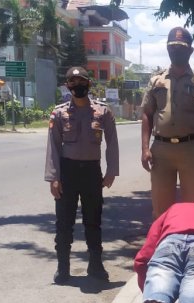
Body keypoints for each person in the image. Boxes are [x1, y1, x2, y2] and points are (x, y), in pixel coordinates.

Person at [45, 66, 119, 283]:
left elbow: (112, 143)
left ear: (89, 83)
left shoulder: (102, 112)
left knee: (93, 222)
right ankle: (63, 268)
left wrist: (111, 172)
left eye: (81, 81)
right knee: (64, 223)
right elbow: (53, 147)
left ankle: (96, 265)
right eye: (73, 82)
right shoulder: (59, 113)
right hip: (67, 173)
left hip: (91, 172)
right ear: (67, 85)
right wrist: (53, 177)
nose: (77, 85)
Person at [140, 27, 194, 218]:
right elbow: (147, 115)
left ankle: (192, 246)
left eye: (181, 47)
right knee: (161, 208)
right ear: (167, 49)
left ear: (190, 50)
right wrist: (145, 149)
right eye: (172, 47)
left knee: (193, 207)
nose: (176, 50)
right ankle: (163, 245)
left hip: (191, 149)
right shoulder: (156, 81)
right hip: (161, 150)